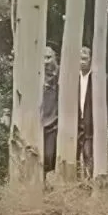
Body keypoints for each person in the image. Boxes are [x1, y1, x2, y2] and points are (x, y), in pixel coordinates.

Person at [41, 46, 59, 176]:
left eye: (48, 57)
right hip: (37, 123)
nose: (46, 61)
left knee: (49, 156)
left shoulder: (60, 75)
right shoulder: (36, 75)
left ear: (54, 57)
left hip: (53, 124)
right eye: (43, 58)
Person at [78, 45, 93, 175]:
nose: (82, 62)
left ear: (90, 60)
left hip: (89, 122)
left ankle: (89, 179)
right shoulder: (73, 77)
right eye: (80, 59)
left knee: (88, 153)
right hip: (75, 120)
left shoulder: (95, 78)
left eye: (84, 58)